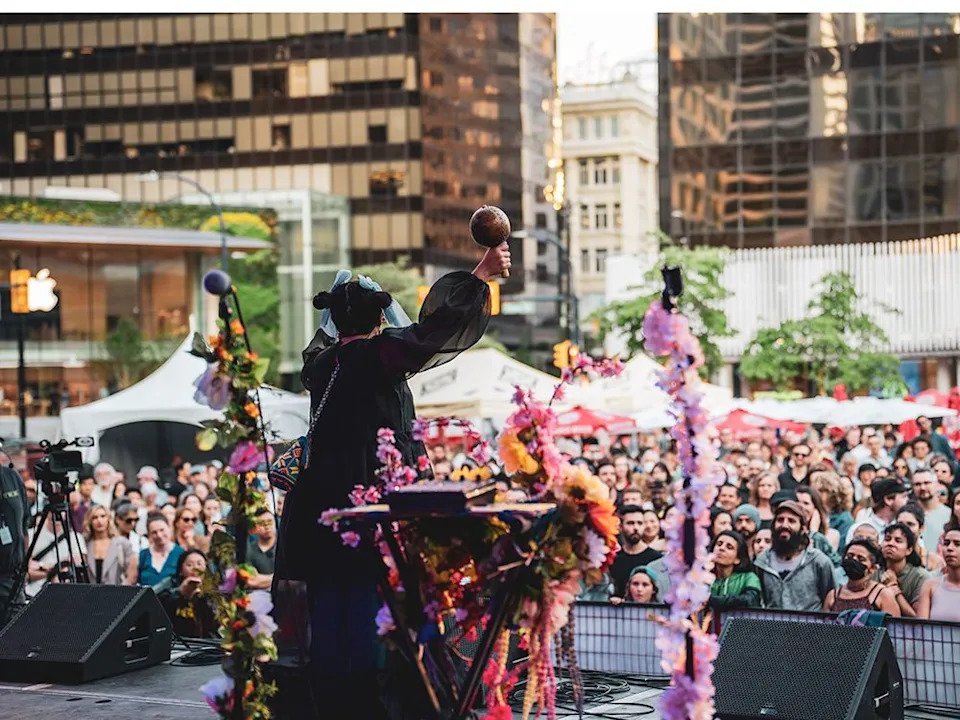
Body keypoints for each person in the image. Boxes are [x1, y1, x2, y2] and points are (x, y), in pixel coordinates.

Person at [272, 244, 509, 719]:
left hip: (322, 515)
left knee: (331, 617)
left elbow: (320, 344)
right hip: (373, 513)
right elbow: (432, 332)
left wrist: (339, 313)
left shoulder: (321, 365)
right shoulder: (376, 356)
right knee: (377, 614)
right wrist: (478, 277)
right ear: (380, 320)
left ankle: (334, 705)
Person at [753, 500, 835, 610]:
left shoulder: (819, 562)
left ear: (803, 529)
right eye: (780, 520)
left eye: (791, 521)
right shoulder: (762, 562)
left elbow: (831, 599)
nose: (784, 525)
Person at [824, 538, 900, 615]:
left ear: (873, 568)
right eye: (850, 556)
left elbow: (893, 622)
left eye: (861, 559)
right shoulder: (833, 596)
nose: (854, 560)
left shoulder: (882, 595)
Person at [159, 549, 217, 638]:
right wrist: (180, 593)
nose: (195, 568)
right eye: (189, 565)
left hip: (205, 642)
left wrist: (202, 597)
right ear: (181, 570)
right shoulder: (170, 584)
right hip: (177, 641)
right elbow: (159, 606)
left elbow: (215, 623)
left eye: (199, 564)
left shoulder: (214, 589)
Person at [609, 505, 663, 596]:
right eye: (630, 523)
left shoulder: (656, 559)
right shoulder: (614, 559)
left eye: (640, 523)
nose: (636, 528)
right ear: (620, 527)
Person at [878, 522, 929, 617]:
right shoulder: (873, 572)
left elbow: (917, 618)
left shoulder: (920, 576)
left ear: (909, 550)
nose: (891, 544)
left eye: (898, 541)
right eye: (887, 539)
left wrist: (894, 589)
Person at [0, 464, 29, 624]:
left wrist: (24, 567)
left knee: (16, 634)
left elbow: (24, 527)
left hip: (13, 579)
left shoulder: (12, 476)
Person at [128, 511, 184, 591]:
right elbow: (130, 585)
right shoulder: (140, 556)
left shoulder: (181, 554)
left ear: (169, 528)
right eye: (154, 532)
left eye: (162, 530)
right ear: (149, 534)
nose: (159, 535)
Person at [916, 524, 960, 621]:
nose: (950, 548)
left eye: (957, 544)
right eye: (946, 543)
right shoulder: (929, 586)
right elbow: (921, 627)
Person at [82, 503, 134, 585]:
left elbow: (130, 574)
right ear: (90, 521)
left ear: (108, 519)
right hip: (91, 591)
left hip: (116, 590)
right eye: (95, 517)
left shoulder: (122, 543)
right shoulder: (84, 544)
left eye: (103, 516)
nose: (99, 520)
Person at [846, 478, 910, 544]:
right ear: (888, 500)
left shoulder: (904, 528)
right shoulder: (858, 530)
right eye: (904, 497)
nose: (907, 500)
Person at [708, 530, 762, 609]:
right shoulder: (704, 576)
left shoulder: (748, 578)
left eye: (729, 547)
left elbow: (749, 601)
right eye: (719, 544)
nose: (721, 548)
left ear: (738, 559)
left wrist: (710, 601)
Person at [910, 469, 951, 554]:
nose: (922, 488)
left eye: (927, 483)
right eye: (917, 484)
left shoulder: (950, 515)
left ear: (937, 485)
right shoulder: (907, 515)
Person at [810, 470, 854, 544]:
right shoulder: (814, 512)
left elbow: (841, 546)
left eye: (821, 491)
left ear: (832, 492)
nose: (817, 494)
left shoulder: (844, 518)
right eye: (815, 491)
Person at [247, 508, 276, 590]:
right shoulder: (249, 550)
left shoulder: (284, 547)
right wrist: (277, 578)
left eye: (270, 522)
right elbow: (251, 581)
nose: (267, 526)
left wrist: (264, 579)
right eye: (262, 523)